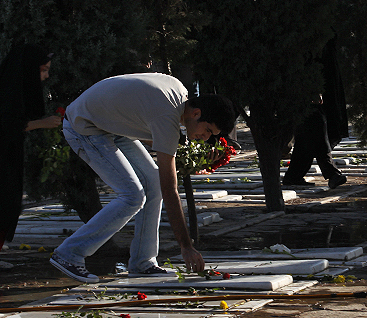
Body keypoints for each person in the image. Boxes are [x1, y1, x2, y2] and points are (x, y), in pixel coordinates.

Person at [50, 73, 235, 283]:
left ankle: (142, 262)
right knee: (132, 195)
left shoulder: (178, 93)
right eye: (208, 130)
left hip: (109, 125)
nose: (206, 137)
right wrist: (186, 247)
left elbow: (147, 126)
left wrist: (185, 153)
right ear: (196, 113)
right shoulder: (167, 117)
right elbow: (170, 189)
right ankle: (69, 253)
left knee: (152, 183)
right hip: (83, 126)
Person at [0, 44, 60, 272]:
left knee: (4, 205)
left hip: (4, 154)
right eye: (43, 70)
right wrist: (43, 123)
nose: (46, 75)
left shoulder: (14, 86)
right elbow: (7, 124)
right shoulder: (7, 90)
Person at [283, 36, 348, 189]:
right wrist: (312, 88)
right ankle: (331, 172)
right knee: (316, 125)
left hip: (325, 82)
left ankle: (294, 175)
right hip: (308, 84)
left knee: (308, 133)